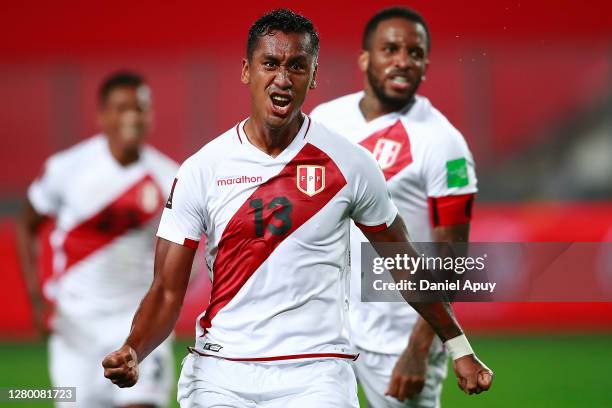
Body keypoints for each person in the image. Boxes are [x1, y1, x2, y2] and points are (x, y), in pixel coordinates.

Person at [102, 9, 492, 408]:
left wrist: (457, 344)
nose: (283, 79)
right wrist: (134, 349)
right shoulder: (202, 170)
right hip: (221, 372)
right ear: (246, 71)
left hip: (316, 375)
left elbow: (405, 264)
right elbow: (167, 291)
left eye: (298, 66)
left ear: (314, 74)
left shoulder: (350, 164)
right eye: (269, 64)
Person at [310, 7, 478, 408]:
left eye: (415, 53)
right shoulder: (325, 121)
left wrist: (420, 348)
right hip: (329, 328)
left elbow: (451, 256)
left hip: (399, 335)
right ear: (366, 59)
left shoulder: (444, 143)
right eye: (390, 49)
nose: (404, 60)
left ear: (425, 65)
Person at [17, 71, 178, 408]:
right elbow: (27, 223)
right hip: (77, 326)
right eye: (121, 109)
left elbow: (181, 255)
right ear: (102, 115)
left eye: (140, 108)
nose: (131, 117)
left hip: (138, 324)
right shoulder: (67, 169)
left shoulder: (170, 178)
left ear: (150, 115)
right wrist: (36, 298)